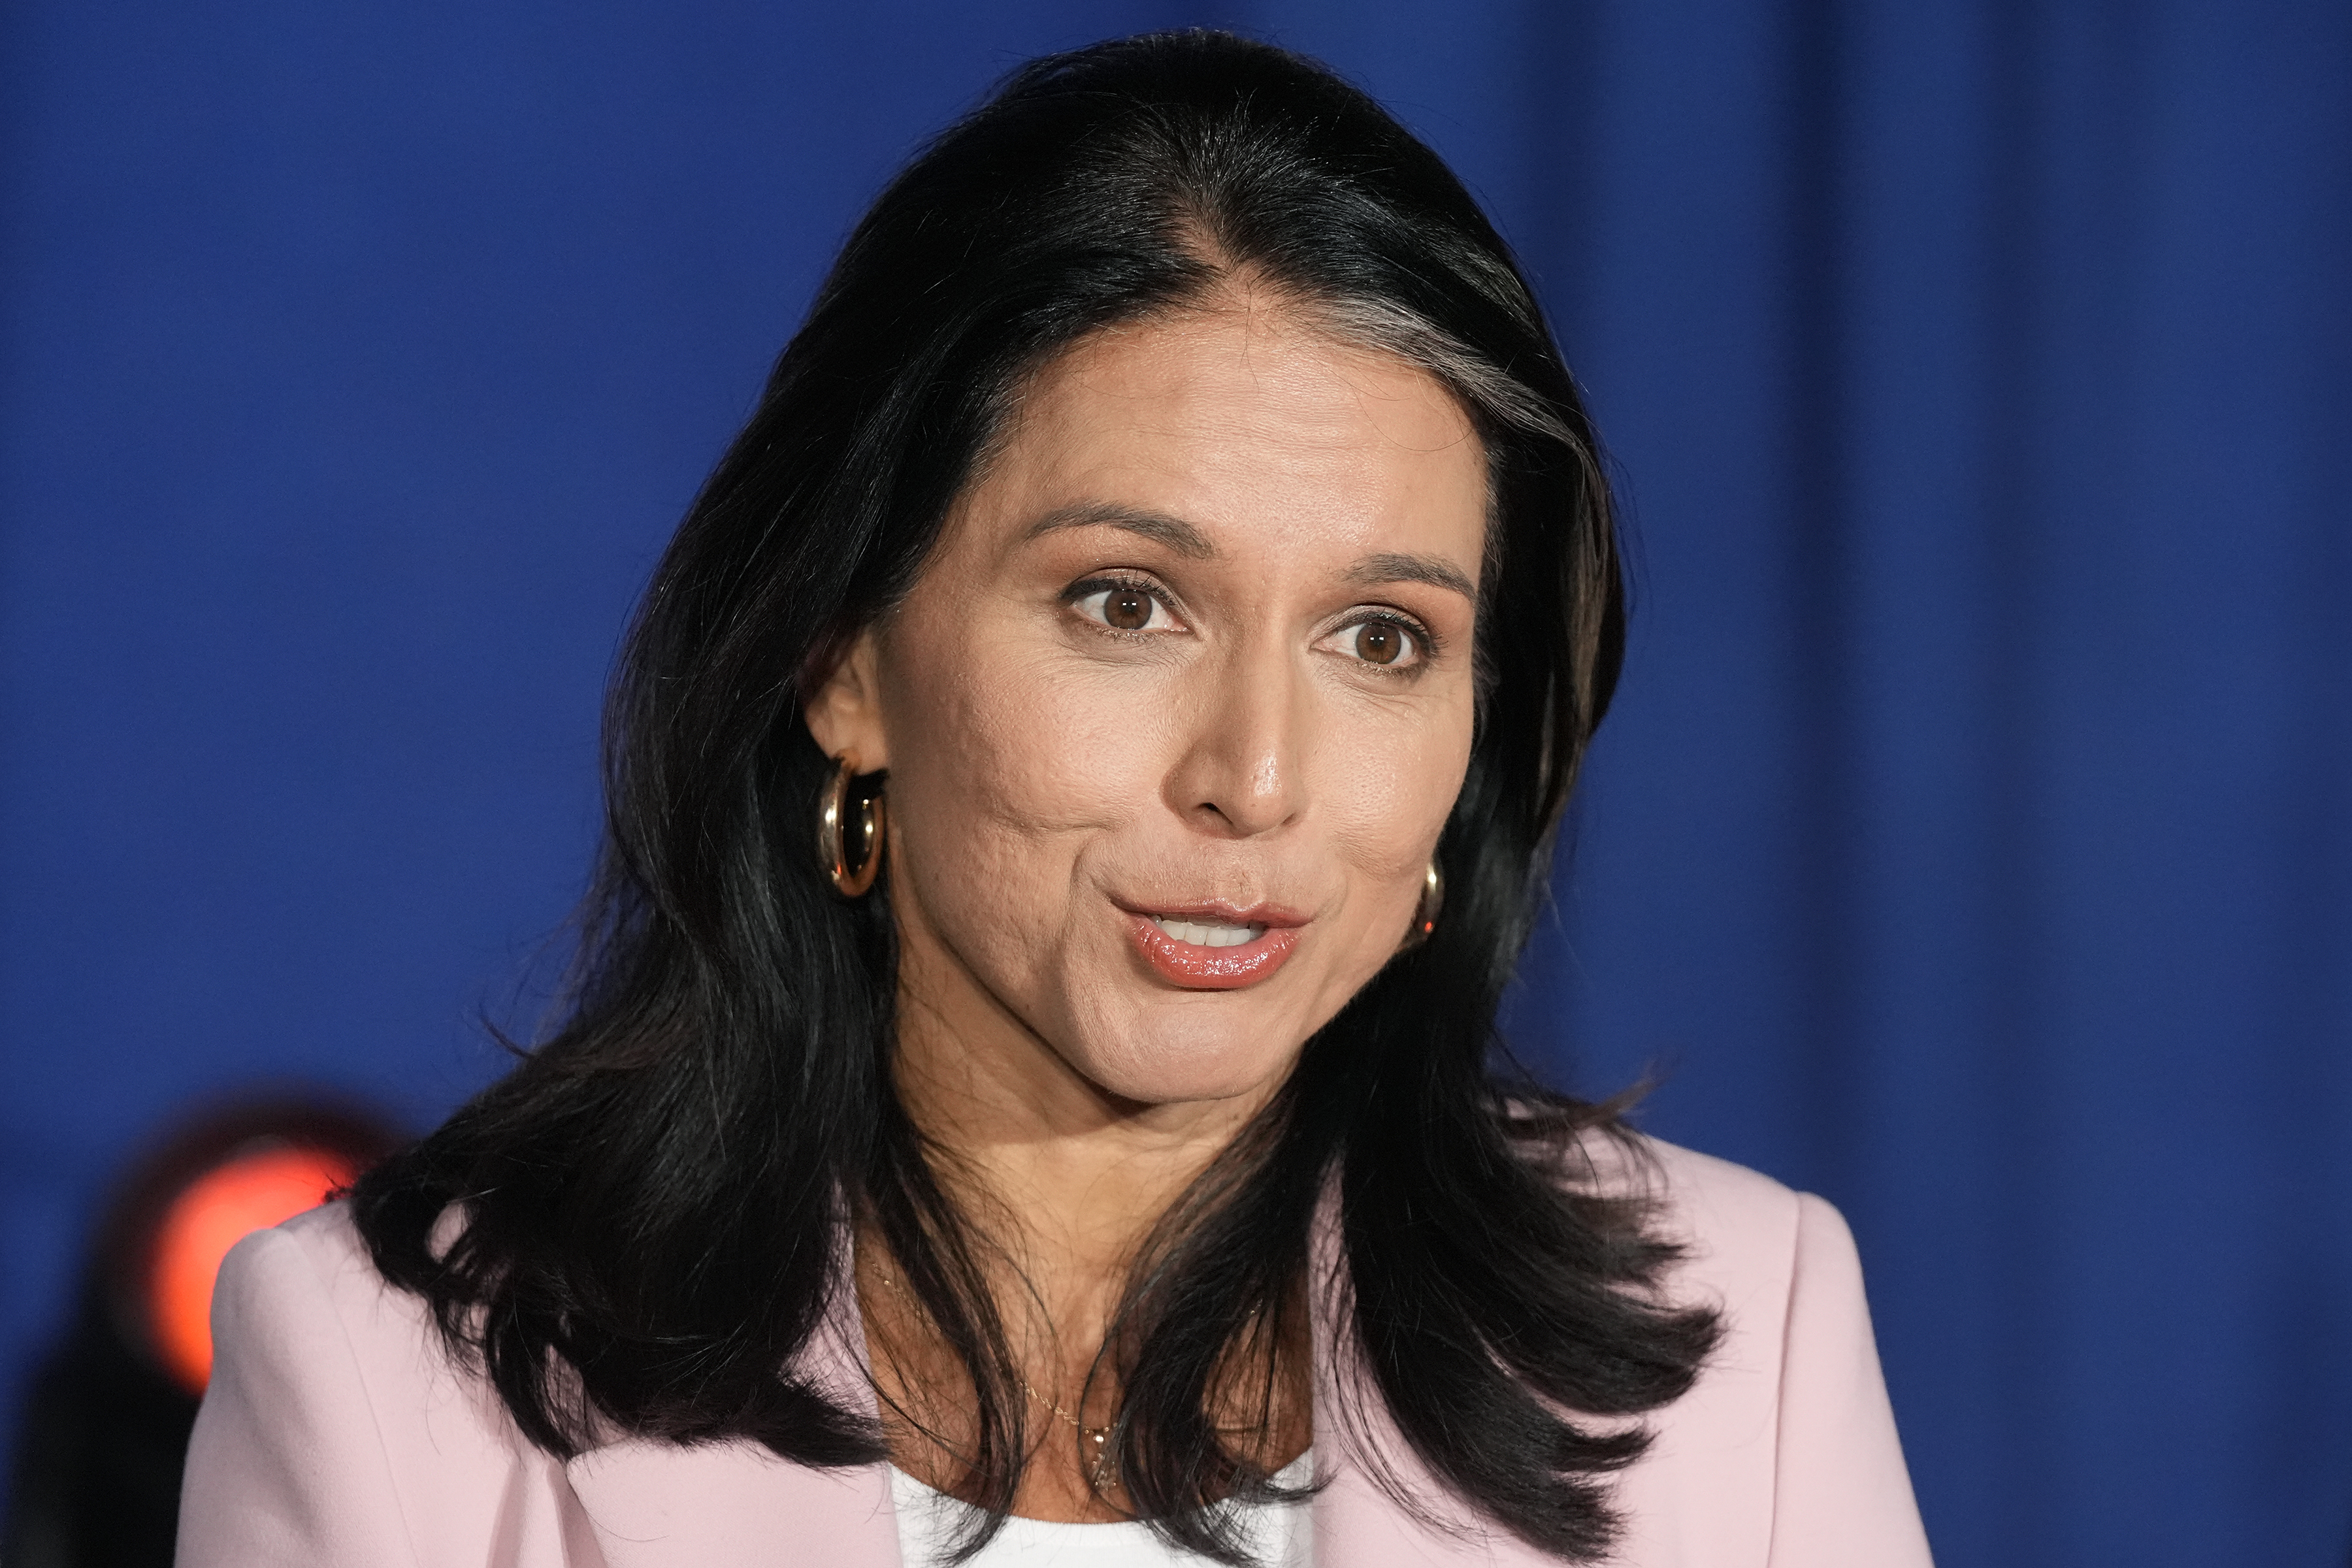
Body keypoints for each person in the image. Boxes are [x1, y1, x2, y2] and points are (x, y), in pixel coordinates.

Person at [176, 30, 1932, 1568]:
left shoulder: (1741, 1331)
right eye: (1124, 604)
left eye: (1382, 638)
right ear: (844, 658)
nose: (1254, 778)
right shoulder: (383, 1377)